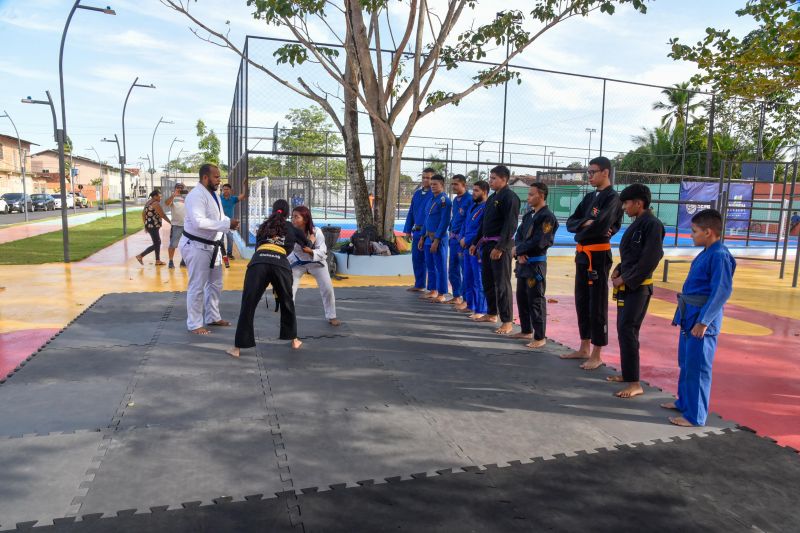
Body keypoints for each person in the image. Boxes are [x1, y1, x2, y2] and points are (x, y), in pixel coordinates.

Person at [663, 209, 735, 427]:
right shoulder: (707, 251)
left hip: (702, 319)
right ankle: (684, 402)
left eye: (694, 231)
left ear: (709, 232)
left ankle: (695, 416)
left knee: (699, 368)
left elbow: (721, 292)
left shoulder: (720, 255)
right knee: (686, 362)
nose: (691, 235)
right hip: (690, 315)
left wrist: (704, 321)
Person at [561, 156, 623, 370]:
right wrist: (583, 224)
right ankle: (584, 346)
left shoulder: (613, 198)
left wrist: (584, 228)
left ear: (605, 172)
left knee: (597, 304)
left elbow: (602, 226)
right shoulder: (589, 198)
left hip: (597, 255)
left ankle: (597, 353)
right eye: (588, 172)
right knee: (582, 300)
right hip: (582, 254)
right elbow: (570, 222)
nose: (589, 176)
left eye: (592, 172)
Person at [228, 200, 309, 357]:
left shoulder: (264, 226)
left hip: (258, 262)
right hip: (280, 264)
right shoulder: (292, 228)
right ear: (287, 214)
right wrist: (310, 238)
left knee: (248, 303)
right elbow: (307, 245)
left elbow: (258, 247)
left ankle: (237, 348)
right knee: (287, 302)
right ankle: (294, 340)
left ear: (273, 210)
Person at [608, 184, 665, 398]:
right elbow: (631, 256)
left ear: (638, 203)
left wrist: (625, 278)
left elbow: (650, 259)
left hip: (638, 288)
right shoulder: (638, 224)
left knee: (628, 330)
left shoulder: (652, 225)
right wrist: (618, 270)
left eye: (626, 203)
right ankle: (627, 373)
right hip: (628, 285)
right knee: (623, 330)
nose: (624, 207)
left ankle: (634, 383)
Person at [181, 164, 239, 335]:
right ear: (205, 177)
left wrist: (228, 222)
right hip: (196, 246)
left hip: (213, 247)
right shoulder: (195, 196)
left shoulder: (213, 194)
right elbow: (199, 222)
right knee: (197, 286)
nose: (219, 180)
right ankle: (194, 324)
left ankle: (213, 317)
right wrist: (226, 224)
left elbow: (218, 217)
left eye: (219, 177)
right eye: (216, 177)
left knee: (215, 284)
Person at [469, 165, 521, 334]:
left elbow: (511, 224)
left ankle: (507, 321)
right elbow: (484, 224)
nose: (490, 181)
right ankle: (492, 313)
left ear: (504, 179)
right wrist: (475, 242)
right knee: (488, 281)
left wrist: (500, 247)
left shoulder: (510, 198)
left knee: (502, 284)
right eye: (490, 178)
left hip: (501, 246)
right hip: (487, 244)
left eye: (493, 178)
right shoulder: (492, 199)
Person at [512, 183, 558, 349]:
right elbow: (518, 235)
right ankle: (526, 330)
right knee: (522, 298)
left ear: (542, 195)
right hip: (523, 263)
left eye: (531, 194)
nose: (528, 197)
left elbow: (541, 241)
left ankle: (539, 336)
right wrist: (518, 251)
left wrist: (521, 250)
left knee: (535, 300)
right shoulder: (528, 215)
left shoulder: (547, 217)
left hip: (535, 264)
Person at [289, 205, 341, 327]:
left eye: (296, 217)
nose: (293, 220)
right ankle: (288, 316)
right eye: (292, 217)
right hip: (298, 262)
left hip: (316, 262)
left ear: (305, 219)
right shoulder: (290, 232)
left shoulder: (316, 232)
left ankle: (331, 315)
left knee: (327, 288)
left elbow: (323, 251)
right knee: (289, 289)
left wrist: (311, 252)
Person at [457, 180, 489, 318]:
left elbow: (480, 229)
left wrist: (469, 240)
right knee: (468, 278)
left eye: (476, 191)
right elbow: (465, 224)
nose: (473, 193)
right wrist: (461, 238)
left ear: (484, 192)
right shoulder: (472, 207)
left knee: (478, 280)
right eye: (473, 190)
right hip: (466, 247)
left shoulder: (486, 208)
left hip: (477, 248)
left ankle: (481, 310)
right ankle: (471, 304)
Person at [419, 174, 452, 303]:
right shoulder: (431, 199)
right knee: (430, 265)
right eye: (431, 184)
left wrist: (437, 240)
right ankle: (432, 290)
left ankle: (442, 293)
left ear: (442, 185)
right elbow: (426, 219)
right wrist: (422, 236)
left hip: (438, 239)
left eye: (435, 184)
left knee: (440, 266)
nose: (432, 186)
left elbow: (444, 222)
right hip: (428, 237)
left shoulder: (444, 201)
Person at [403, 168, 434, 292]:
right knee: (416, 259)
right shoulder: (416, 194)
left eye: (428, 178)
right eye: (424, 177)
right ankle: (419, 284)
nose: (425, 180)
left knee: (430, 261)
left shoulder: (435, 195)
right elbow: (411, 212)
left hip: (428, 233)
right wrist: (407, 230)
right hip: (416, 232)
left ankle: (433, 289)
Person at [446, 174, 473, 305]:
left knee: (465, 270)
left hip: (462, 241)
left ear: (464, 185)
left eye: (456, 184)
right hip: (453, 239)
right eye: (452, 184)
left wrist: (464, 237)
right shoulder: (455, 200)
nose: (453, 186)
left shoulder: (469, 199)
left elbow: (468, 221)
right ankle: (456, 296)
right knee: (452, 269)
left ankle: (466, 300)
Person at [136, 190, 170, 266]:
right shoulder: (155, 204)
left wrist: (145, 224)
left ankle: (157, 260)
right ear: (155, 196)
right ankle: (140, 256)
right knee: (157, 243)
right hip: (153, 226)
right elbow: (163, 215)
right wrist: (171, 223)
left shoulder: (148, 202)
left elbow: (143, 214)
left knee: (157, 243)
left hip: (150, 226)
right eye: (159, 196)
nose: (160, 198)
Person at [220, 183, 247, 260]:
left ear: (230, 190)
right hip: (220, 222)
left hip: (229, 223)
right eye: (224, 189)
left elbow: (243, 195)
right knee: (220, 239)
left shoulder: (233, 199)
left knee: (230, 238)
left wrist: (244, 185)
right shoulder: (219, 199)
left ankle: (229, 254)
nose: (225, 191)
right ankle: (222, 254)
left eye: (227, 189)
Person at [165, 182, 187, 269]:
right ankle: (170, 261)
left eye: (181, 187)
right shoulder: (173, 198)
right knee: (173, 244)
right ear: (175, 188)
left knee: (186, 244)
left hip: (187, 225)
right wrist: (173, 195)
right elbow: (166, 203)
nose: (180, 189)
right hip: (176, 225)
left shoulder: (187, 198)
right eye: (178, 187)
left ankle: (183, 260)